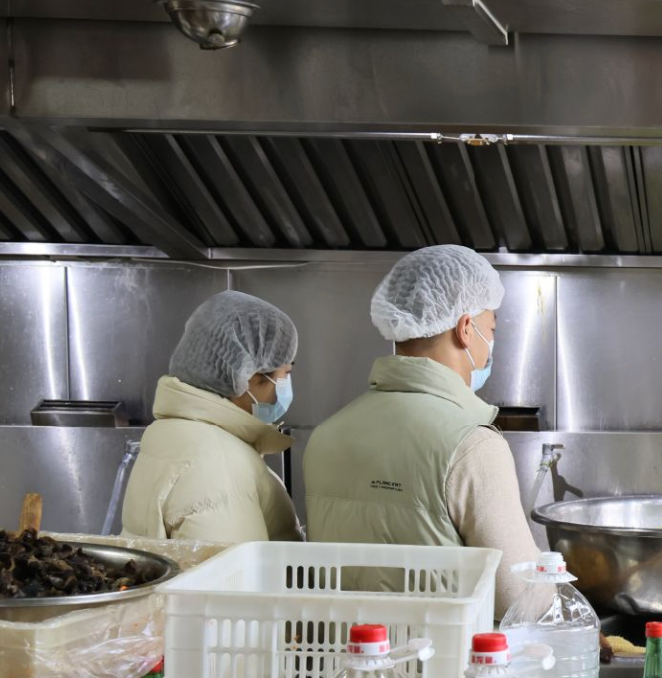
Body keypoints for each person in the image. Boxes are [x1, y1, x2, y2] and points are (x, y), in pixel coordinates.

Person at [301, 244, 535, 612]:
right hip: (438, 651)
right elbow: (519, 599)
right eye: (491, 329)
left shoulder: (325, 436)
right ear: (465, 329)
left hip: (337, 649)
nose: (491, 345)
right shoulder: (472, 446)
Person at [122, 290, 300, 543]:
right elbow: (231, 566)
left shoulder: (172, 432)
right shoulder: (219, 460)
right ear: (248, 375)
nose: (286, 385)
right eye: (286, 373)